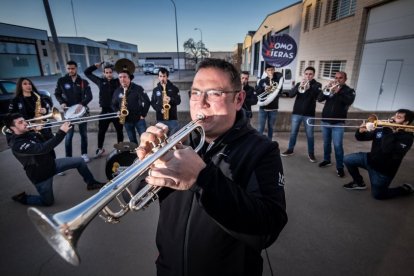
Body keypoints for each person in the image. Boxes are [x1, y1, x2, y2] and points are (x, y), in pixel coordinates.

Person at [136, 58, 287, 276]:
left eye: (215, 93)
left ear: (238, 99)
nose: (201, 102)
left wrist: (202, 178)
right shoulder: (177, 140)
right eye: (196, 93)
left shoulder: (263, 151)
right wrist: (145, 162)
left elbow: (267, 229)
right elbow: (136, 195)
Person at [5, 113, 104, 206]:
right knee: (47, 202)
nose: (25, 123)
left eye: (24, 120)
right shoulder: (17, 145)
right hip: (41, 174)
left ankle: (91, 183)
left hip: (52, 164)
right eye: (20, 122)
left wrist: (42, 131)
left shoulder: (29, 133)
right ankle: (23, 198)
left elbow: (50, 140)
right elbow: (43, 149)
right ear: (12, 128)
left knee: (80, 161)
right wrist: (61, 132)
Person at [343, 109, 414, 199]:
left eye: (398, 117)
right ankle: (358, 183)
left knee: (379, 195)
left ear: (406, 122)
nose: (393, 118)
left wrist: (389, 131)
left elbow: (386, 149)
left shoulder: (407, 138)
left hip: (383, 170)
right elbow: (361, 138)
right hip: (370, 159)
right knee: (347, 159)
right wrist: (360, 131)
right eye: (395, 115)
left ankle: (404, 189)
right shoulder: (383, 129)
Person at [317, 71, 356, 177]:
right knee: (326, 143)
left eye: (340, 78)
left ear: (345, 79)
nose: (337, 79)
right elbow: (320, 99)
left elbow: (348, 101)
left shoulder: (349, 91)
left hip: (338, 123)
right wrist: (326, 89)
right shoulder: (331, 88)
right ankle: (327, 160)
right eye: (336, 77)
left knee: (338, 145)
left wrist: (338, 92)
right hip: (325, 121)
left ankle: (340, 167)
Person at [281, 67, 322, 162]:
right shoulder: (299, 84)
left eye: (310, 74)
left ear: (313, 75)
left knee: (310, 135)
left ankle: (311, 153)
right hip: (297, 113)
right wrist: (298, 87)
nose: (308, 76)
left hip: (309, 114)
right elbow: (291, 95)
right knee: (293, 133)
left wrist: (309, 88)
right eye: (306, 74)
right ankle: (290, 150)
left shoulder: (317, 85)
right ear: (304, 74)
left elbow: (318, 97)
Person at [55, 60, 93, 162]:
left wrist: (82, 104)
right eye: (69, 68)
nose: (71, 70)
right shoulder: (62, 81)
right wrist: (62, 102)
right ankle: (68, 157)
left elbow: (90, 96)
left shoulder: (83, 82)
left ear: (76, 68)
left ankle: (84, 154)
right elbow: (57, 94)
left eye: (72, 68)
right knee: (68, 136)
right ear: (67, 69)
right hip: (68, 113)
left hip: (81, 112)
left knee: (83, 134)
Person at [84, 62, 123, 158]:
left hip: (116, 111)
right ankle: (100, 149)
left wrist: (121, 67)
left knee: (119, 131)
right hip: (104, 111)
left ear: (113, 73)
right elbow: (87, 73)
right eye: (107, 72)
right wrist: (95, 66)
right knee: (101, 131)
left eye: (110, 72)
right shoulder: (100, 81)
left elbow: (130, 76)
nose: (109, 74)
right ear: (104, 73)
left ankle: (120, 148)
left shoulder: (118, 81)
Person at [112, 69, 150, 145]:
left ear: (129, 78)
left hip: (139, 119)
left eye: (124, 77)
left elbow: (147, 101)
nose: (122, 79)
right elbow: (113, 104)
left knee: (145, 139)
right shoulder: (117, 91)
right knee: (132, 140)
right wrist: (117, 111)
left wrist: (143, 114)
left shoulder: (138, 88)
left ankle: (147, 155)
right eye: (120, 77)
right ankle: (135, 154)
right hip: (126, 120)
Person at [256, 64, 283, 140]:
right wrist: (264, 88)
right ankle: (259, 143)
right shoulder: (262, 81)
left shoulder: (278, 81)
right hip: (263, 108)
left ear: (274, 70)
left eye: (272, 70)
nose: (270, 72)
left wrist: (274, 87)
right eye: (268, 70)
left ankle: (269, 142)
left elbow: (280, 91)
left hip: (273, 108)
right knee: (260, 127)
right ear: (265, 71)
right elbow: (257, 91)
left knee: (271, 128)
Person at [150, 67, 181, 135]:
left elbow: (178, 101)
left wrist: (170, 99)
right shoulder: (155, 90)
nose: (162, 78)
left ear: (167, 77)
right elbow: (152, 103)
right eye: (160, 76)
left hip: (172, 118)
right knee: (162, 139)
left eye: (164, 76)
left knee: (173, 138)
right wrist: (160, 109)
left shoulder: (174, 88)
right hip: (160, 118)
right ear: (158, 77)